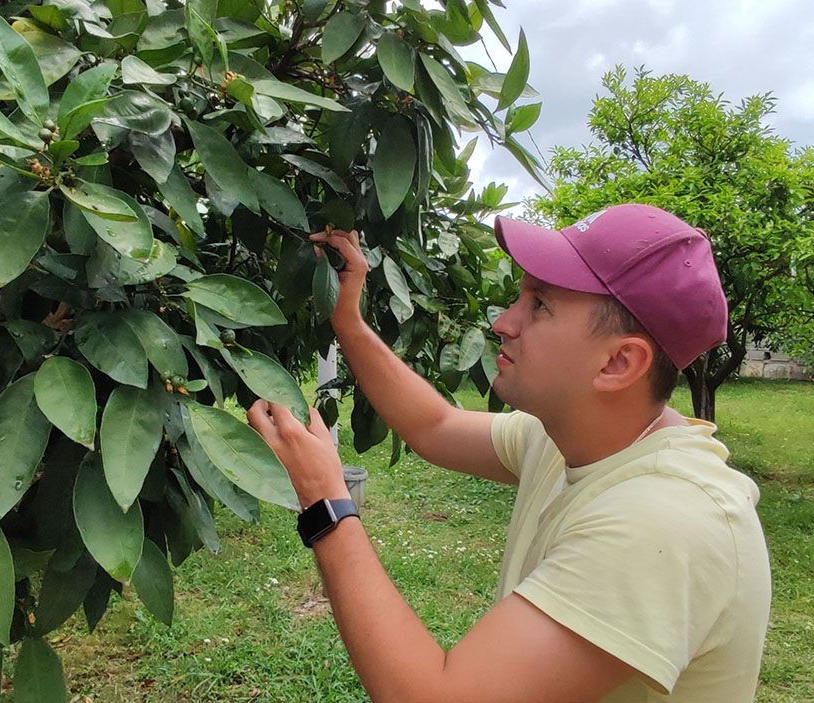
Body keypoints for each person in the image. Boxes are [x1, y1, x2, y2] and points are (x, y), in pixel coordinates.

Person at [245, 204, 772, 703]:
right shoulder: (569, 438)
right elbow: (436, 425)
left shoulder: (666, 522)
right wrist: (349, 322)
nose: (503, 321)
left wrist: (326, 502)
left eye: (539, 305)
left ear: (618, 363)